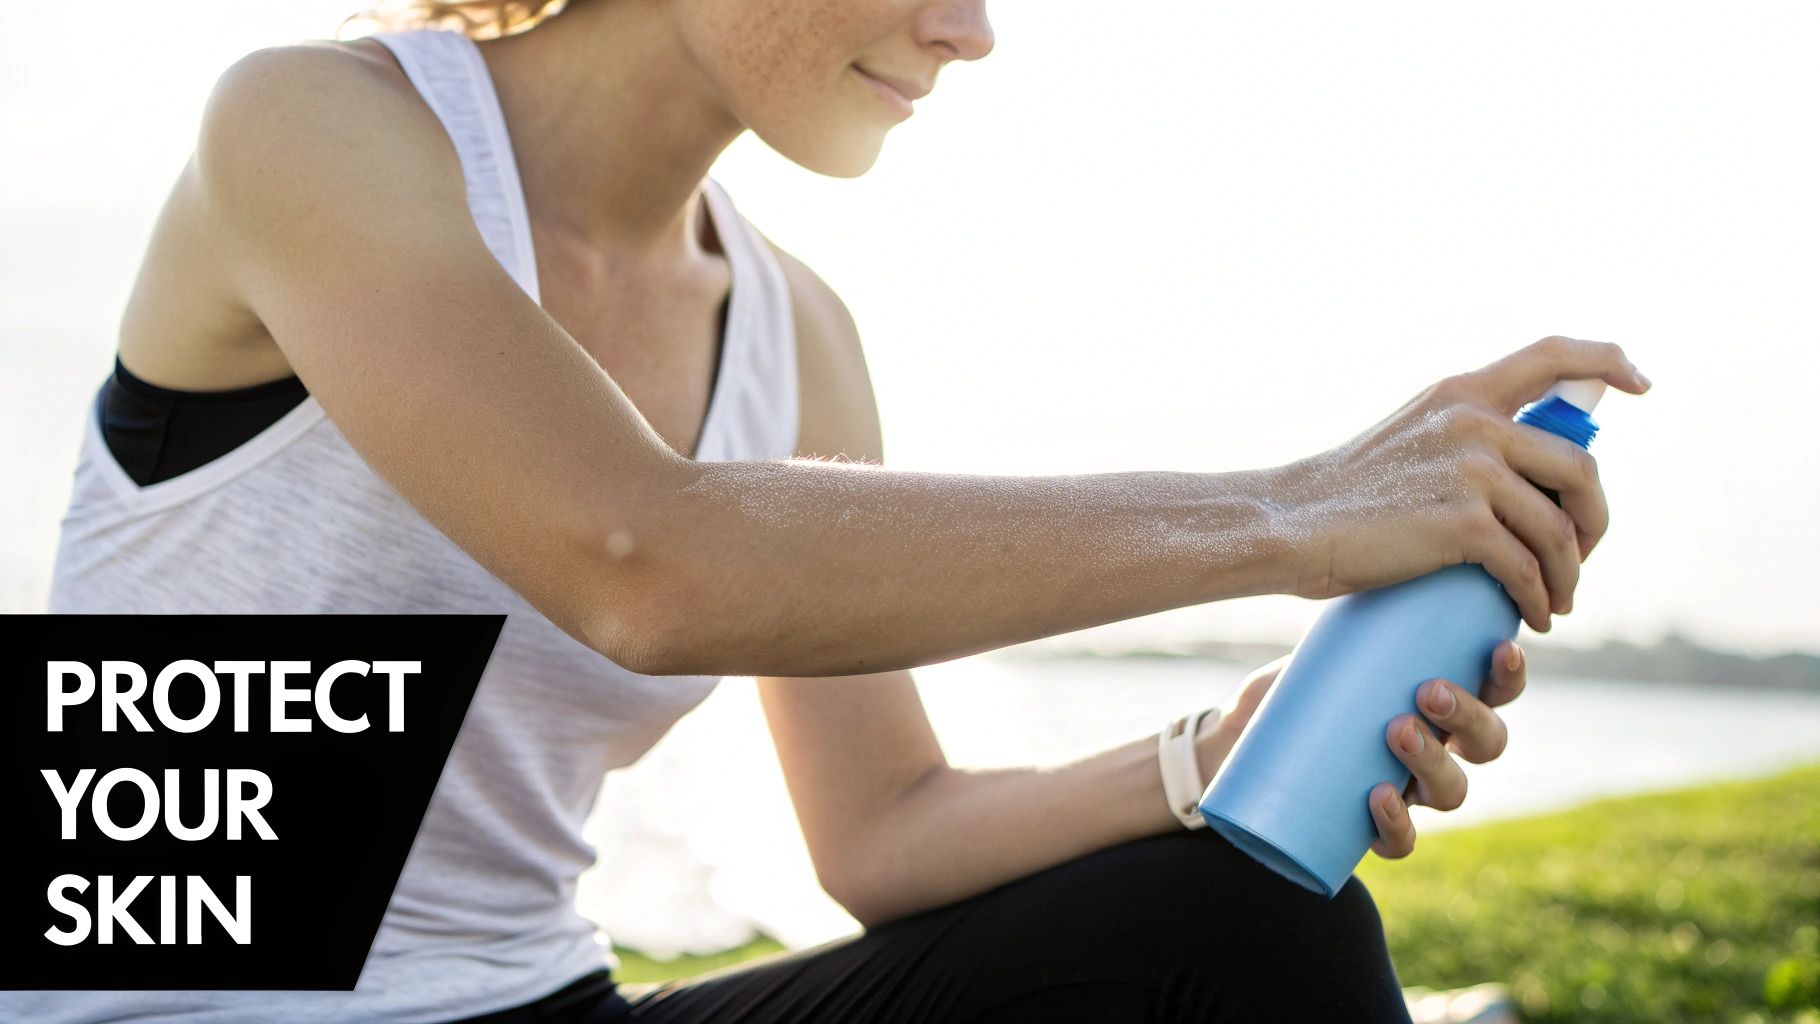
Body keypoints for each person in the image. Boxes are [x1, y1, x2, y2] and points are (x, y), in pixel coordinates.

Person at [14, 0, 1650, 1019]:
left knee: (1240, 927)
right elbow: (639, 558)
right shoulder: (314, 126)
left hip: (531, 1007)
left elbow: (885, 834)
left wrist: (1201, 762)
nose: (973, 28)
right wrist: (1296, 511)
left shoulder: (796, 336)